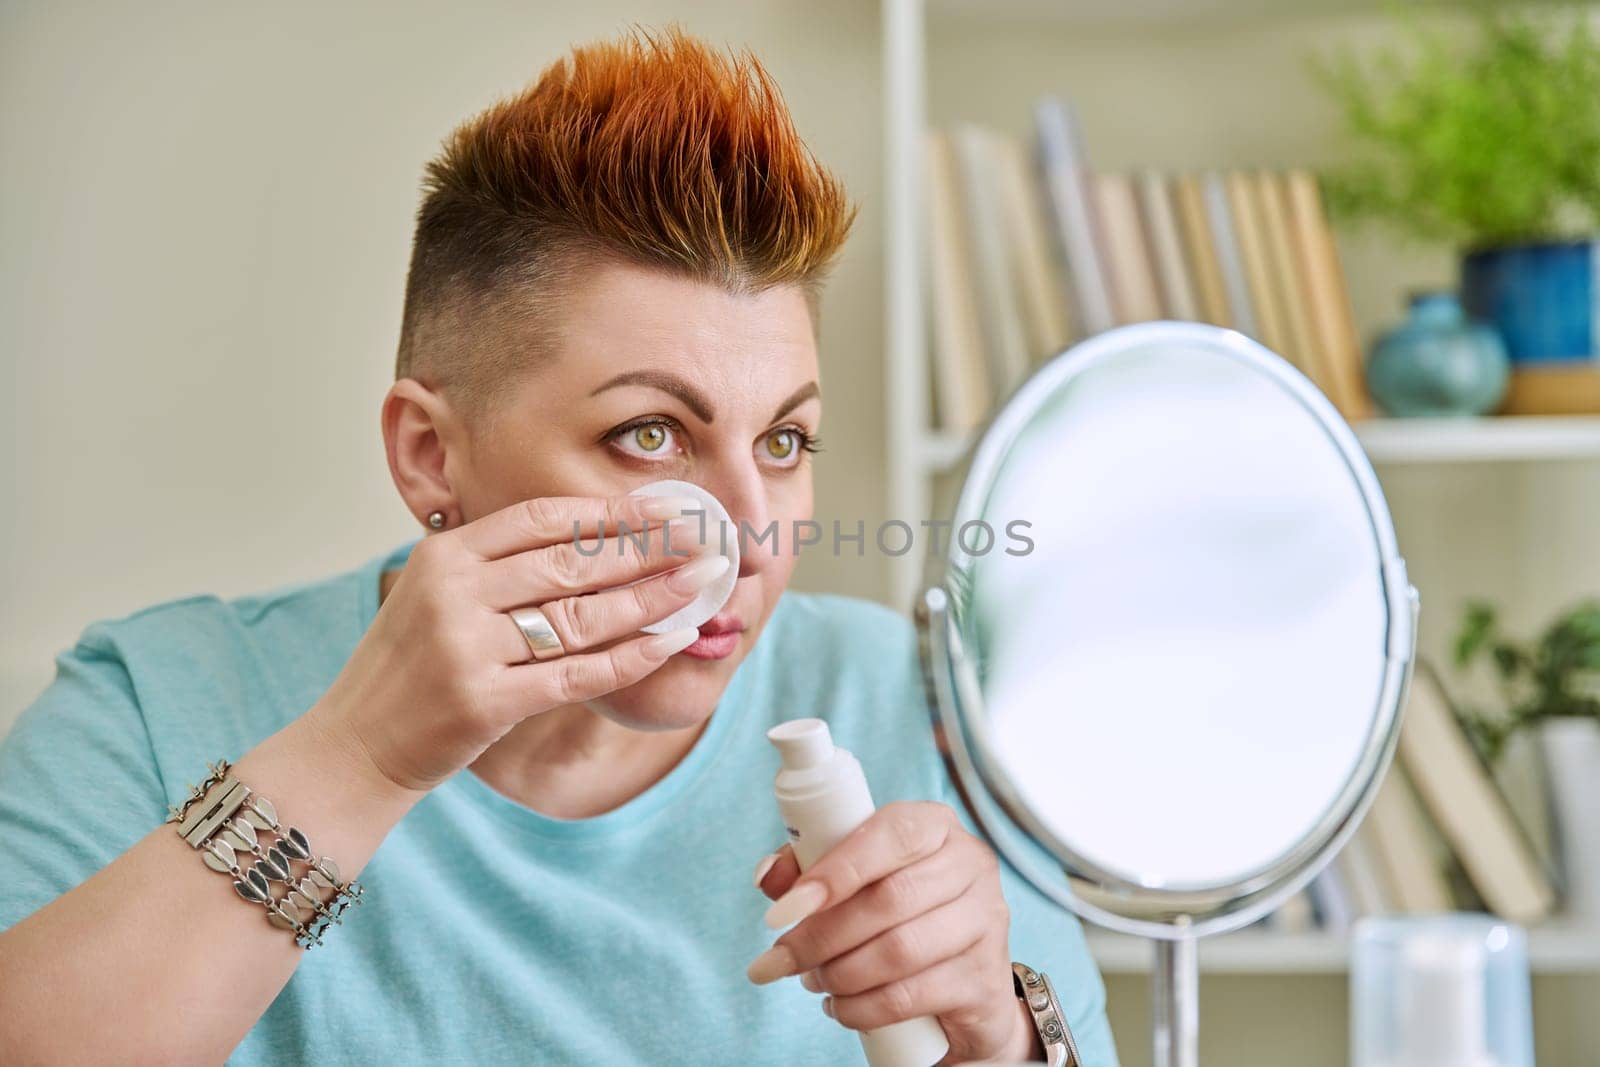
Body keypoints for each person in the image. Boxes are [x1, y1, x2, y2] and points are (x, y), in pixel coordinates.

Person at [0, 27, 1117, 1066]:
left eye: (783, 438)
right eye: (648, 434)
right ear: (432, 454)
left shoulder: (916, 712)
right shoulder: (154, 709)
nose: (750, 534)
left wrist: (1000, 1037)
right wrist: (362, 759)